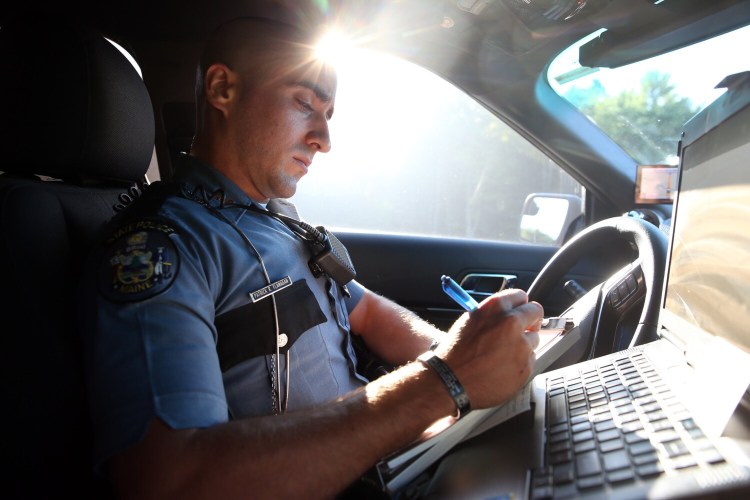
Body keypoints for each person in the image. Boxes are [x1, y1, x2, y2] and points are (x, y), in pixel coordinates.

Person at [78, 16, 544, 499]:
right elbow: (170, 479)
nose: (324, 138)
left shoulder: (277, 219)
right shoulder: (160, 247)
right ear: (223, 89)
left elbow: (364, 309)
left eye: (328, 114)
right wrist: (444, 379)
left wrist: (475, 358)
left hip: (390, 464)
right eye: (305, 104)